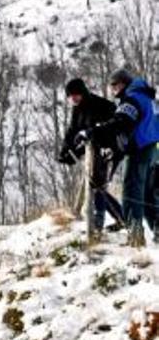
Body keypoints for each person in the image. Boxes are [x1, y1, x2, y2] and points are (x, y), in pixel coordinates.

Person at [82, 70, 159, 245]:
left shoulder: (132, 99)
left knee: (132, 192)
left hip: (141, 152)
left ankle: (135, 238)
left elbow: (120, 123)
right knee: (149, 195)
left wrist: (93, 132)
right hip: (155, 150)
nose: (113, 90)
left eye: (115, 85)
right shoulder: (149, 98)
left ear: (123, 84)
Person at [59, 77, 123, 230]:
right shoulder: (78, 108)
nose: (72, 99)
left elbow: (108, 129)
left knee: (97, 185)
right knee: (95, 185)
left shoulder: (99, 105)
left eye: (75, 95)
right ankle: (121, 217)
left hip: (110, 149)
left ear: (82, 93)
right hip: (94, 150)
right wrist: (66, 150)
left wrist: (107, 148)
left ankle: (97, 224)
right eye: (70, 96)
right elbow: (73, 131)